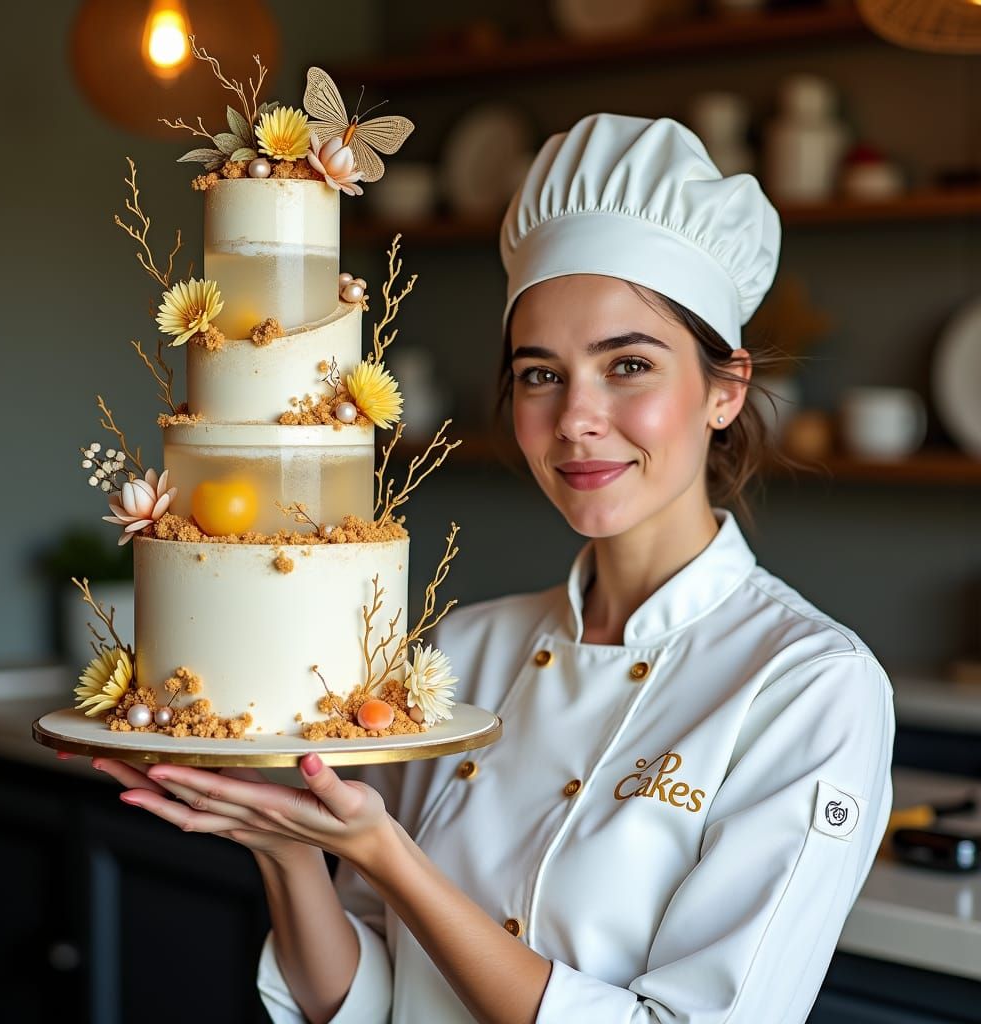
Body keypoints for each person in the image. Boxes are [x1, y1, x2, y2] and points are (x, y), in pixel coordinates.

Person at [85, 113, 895, 1023]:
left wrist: (391, 857)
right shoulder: (459, 655)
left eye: (628, 364)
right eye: (541, 374)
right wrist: (288, 853)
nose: (576, 418)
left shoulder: (810, 685)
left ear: (725, 390)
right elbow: (362, 999)